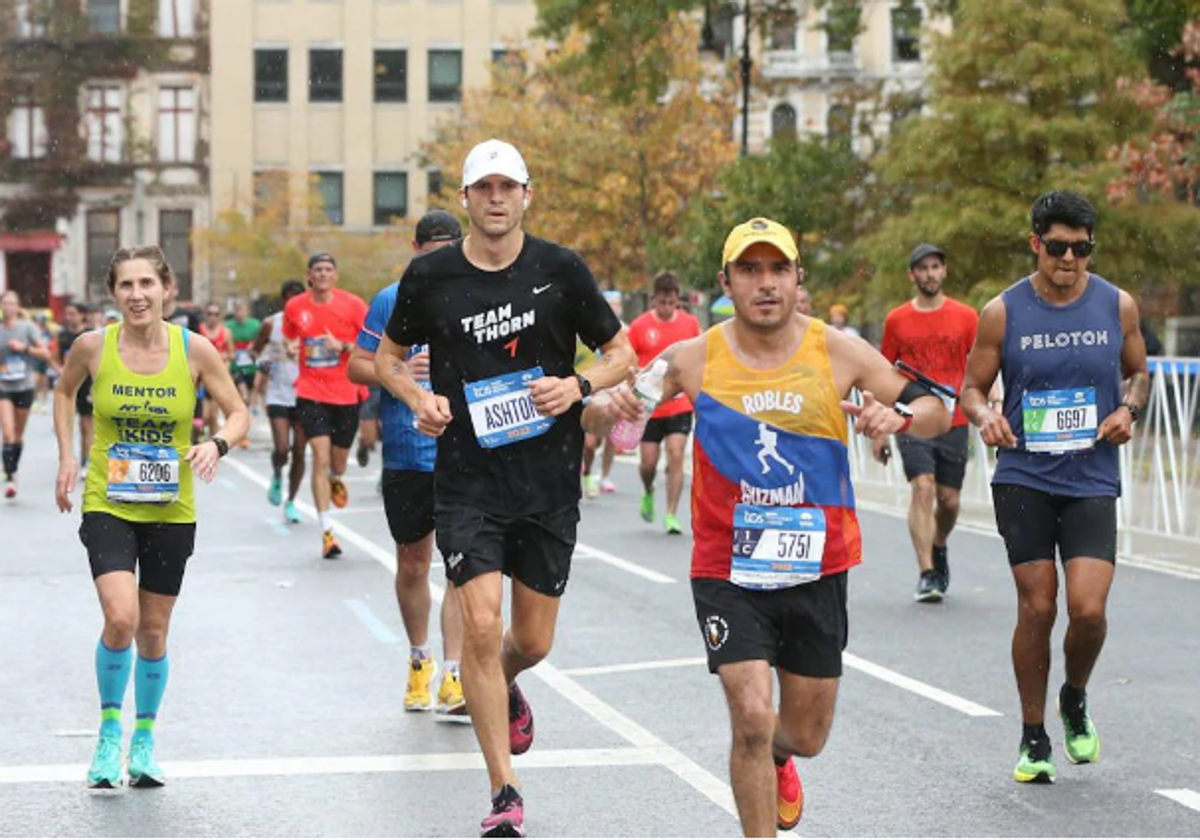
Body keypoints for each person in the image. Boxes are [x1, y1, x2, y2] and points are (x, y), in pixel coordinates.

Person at [584, 217, 950, 837]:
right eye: (749, 271)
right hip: (729, 565)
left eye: (778, 269)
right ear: (727, 282)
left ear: (797, 277)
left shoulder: (839, 349)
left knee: (804, 734)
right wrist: (607, 407)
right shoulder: (691, 357)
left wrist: (902, 417)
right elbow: (603, 419)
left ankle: (782, 757)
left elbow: (936, 407)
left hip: (817, 562)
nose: (765, 284)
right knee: (751, 717)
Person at [374, 138, 635, 837]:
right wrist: (415, 398)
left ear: (527, 195)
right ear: (465, 200)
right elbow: (387, 359)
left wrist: (577, 385)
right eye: (482, 187)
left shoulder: (560, 269)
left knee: (532, 640)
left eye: (507, 186)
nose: (495, 198)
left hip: (548, 481)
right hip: (466, 479)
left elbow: (622, 353)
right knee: (481, 628)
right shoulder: (430, 279)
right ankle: (503, 792)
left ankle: (509, 683)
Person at [961, 191, 1148, 784]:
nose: (1070, 260)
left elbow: (1139, 372)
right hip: (1024, 475)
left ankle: (1074, 695)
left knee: (1088, 610)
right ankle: (1033, 733)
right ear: (1035, 243)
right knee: (1038, 604)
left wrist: (1128, 409)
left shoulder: (1117, 306)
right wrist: (984, 416)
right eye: (1059, 247)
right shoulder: (1003, 311)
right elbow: (970, 387)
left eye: (1082, 248)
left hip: (1091, 472)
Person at [53, 245, 249, 789]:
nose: (137, 295)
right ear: (112, 293)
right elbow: (65, 392)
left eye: (147, 284)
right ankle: (109, 732)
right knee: (122, 617)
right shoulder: (94, 347)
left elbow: (239, 413)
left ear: (167, 290)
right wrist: (69, 455)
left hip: (171, 507)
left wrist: (216, 444)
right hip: (108, 500)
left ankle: (144, 739)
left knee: (155, 630)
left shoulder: (196, 350)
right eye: (125, 286)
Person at [350, 209, 467, 717]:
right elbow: (357, 364)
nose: (439, 261)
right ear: (414, 248)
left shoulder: (477, 297)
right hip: (408, 454)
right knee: (414, 562)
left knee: (465, 568)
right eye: (431, 251)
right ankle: (420, 657)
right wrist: (398, 370)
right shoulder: (391, 300)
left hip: (465, 453)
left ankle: (455, 672)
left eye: (449, 251)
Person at [876, 243, 979, 602]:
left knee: (948, 501)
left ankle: (938, 543)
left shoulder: (966, 317)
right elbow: (884, 374)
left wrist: (989, 405)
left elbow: (980, 366)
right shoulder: (897, 320)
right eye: (923, 268)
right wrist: (880, 429)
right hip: (912, 416)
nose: (930, 273)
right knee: (922, 487)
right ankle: (927, 572)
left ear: (944, 271)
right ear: (912, 275)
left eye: (936, 267)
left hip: (955, 419)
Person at [283, 252, 368, 560]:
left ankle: (335, 477)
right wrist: (291, 346)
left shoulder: (354, 305)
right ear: (309, 275)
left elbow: (373, 344)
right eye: (317, 270)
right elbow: (290, 337)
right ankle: (327, 532)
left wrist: (343, 346)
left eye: (327, 269)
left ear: (335, 275)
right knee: (319, 456)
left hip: (346, 391)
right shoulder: (295, 307)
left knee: (337, 462)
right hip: (310, 391)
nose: (322, 274)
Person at [627, 271, 702, 534]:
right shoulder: (639, 326)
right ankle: (648, 490)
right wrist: (632, 377)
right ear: (653, 300)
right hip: (650, 406)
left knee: (676, 453)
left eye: (672, 302)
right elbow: (627, 359)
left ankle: (671, 514)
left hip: (680, 406)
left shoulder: (691, 325)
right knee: (648, 463)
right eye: (662, 302)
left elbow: (699, 358)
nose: (668, 308)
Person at [253, 280, 307, 524]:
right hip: (278, 392)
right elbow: (253, 354)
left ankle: (292, 501)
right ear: (284, 300)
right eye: (289, 298)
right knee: (283, 448)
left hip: (306, 393)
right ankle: (277, 472)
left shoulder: (312, 322)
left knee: (299, 451)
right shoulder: (271, 324)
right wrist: (265, 367)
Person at [1, 290, 50, 498]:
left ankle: (14, 468)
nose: (9, 307)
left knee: (18, 436)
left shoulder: (27, 328)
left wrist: (24, 348)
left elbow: (45, 352)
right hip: (3, 387)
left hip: (24, 386)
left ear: (18, 306)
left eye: (13, 303)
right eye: (5, 303)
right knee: (8, 433)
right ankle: (10, 476)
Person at [581, 289, 624, 497]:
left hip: (611, 389)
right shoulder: (590, 324)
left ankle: (604, 475)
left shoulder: (625, 330)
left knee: (610, 437)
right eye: (610, 304)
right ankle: (587, 471)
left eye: (616, 304)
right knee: (589, 443)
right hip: (586, 387)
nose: (613, 308)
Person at [55, 302, 96, 468]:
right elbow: (55, 357)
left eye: (72, 313)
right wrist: (59, 369)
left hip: (87, 385)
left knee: (87, 426)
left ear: (81, 315)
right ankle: (70, 456)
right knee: (73, 425)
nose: (69, 317)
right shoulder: (63, 335)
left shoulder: (89, 336)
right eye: (67, 313)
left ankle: (87, 461)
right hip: (69, 384)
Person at [199, 303, 233, 439]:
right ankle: (199, 438)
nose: (212, 317)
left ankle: (214, 447)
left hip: (217, 377)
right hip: (200, 378)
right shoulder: (199, 330)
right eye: (209, 314)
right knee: (204, 416)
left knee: (213, 415)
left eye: (216, 314)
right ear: (205, 315)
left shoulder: (226, 333)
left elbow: (231, 354)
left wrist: (225, 365)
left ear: (220, 316)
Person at [226, 299, 262, 413]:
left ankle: (250, 409)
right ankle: (242, 411)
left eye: (241, 310)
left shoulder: (255, 324)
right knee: (243, 393)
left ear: (246, 311)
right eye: (236, 310)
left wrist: (254, 347)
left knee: (252, 390)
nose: (239, 313)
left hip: (252, 365)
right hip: (235, 366)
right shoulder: (228, 326)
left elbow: (262, 342)